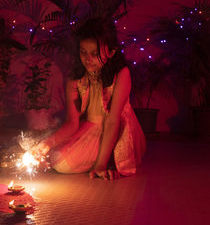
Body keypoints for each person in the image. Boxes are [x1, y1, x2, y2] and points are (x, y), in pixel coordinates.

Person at [32, 17, 146, 181]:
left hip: (115, 129)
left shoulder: (121, 74)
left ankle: (107, 159)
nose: (88, 59)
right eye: (83, 52)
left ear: (111, 52)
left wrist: (101, 164)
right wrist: (46, 144)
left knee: (62, 165)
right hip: (89, 126)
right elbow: (72, 123)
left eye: (95, 54)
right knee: (53, 156)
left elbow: (113, 120)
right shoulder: (75, 78)